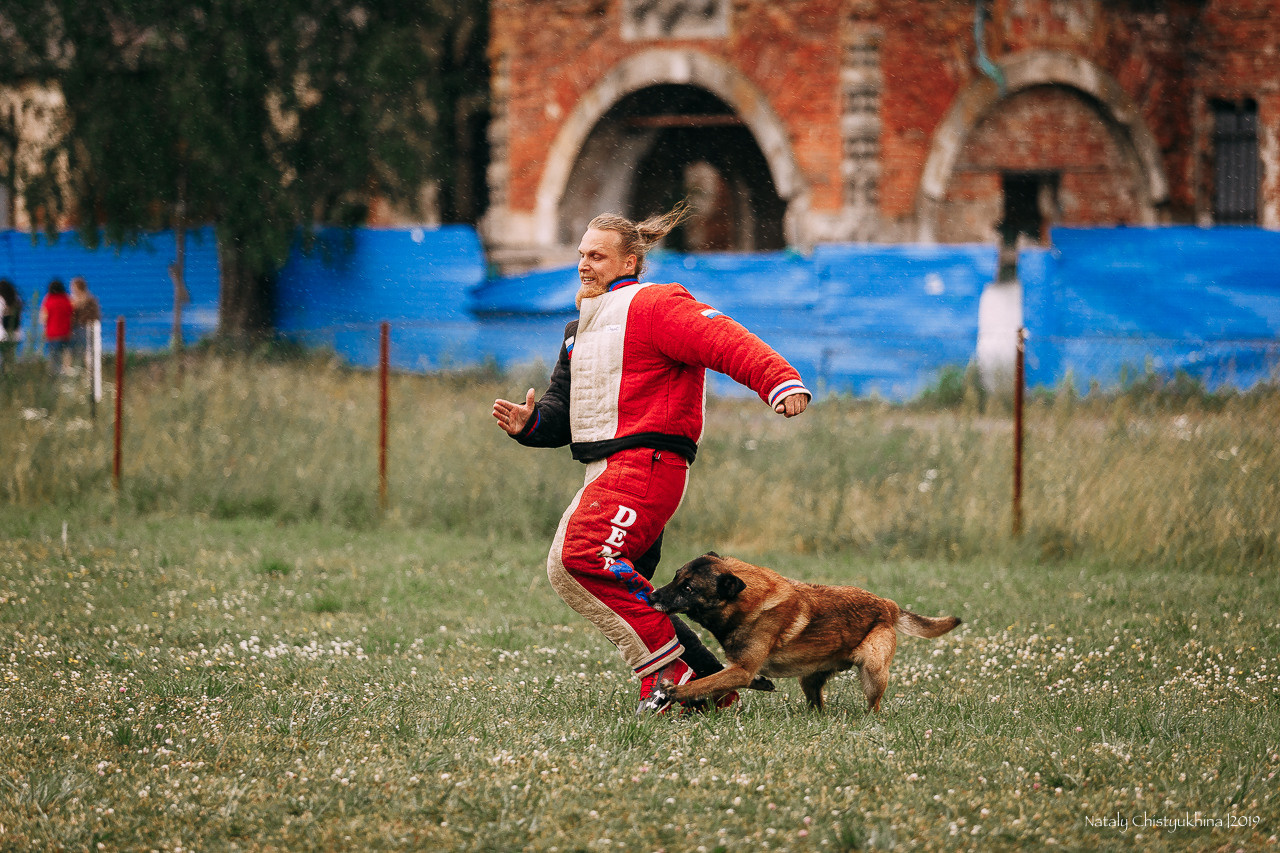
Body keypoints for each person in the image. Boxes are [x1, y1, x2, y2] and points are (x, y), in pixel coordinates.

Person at [493, 206, 811, 715]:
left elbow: (723, 338)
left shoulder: (655, 305)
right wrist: (529, 425)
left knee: (580, 558)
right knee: (612, 580)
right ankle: (709, 682)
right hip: (607, 470)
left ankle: (669, 678)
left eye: (597, 256)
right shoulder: (580, 330)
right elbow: (562, 411)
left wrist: (779, 380)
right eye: (580, 255)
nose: (583, 265)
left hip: (646, 463)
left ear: (631, 262)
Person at [39, 279, 75, 376]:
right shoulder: (67, 299)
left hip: (53, 333)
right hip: (66, 332)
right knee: (65, 355)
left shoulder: (48, 299)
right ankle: (65, 375)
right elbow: (72, 315)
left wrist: (44, 329)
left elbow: (43, 317)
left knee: (54, 357)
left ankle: (54, 376)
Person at [70, 276, 102, 371]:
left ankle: (87, 371)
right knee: (78, 351)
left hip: (85, 328)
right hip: (78, 329)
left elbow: (94, 315)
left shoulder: (88, 300)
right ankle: (80, 370)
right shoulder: (78, 300)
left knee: (86, 351)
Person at [0, 278, 22, 373]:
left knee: (3, 360)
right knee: (11, 359)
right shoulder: (16, 299)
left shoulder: (1, 300)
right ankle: (11, 377)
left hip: (2, 335)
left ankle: (4, 379)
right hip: (15, 335)